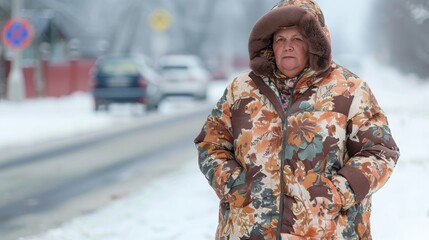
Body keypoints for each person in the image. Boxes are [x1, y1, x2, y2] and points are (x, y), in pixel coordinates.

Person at [194, 0, 400, 239]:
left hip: (328, 232)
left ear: (314, 44)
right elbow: (211, 144)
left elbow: (380, 151)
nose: (288, 47)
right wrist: (233, 184)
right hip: (248, 231)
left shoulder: (349, 90)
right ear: (270, 46)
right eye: (280, 40)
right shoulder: (240, 91)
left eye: (298, 39)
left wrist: (339, 191)